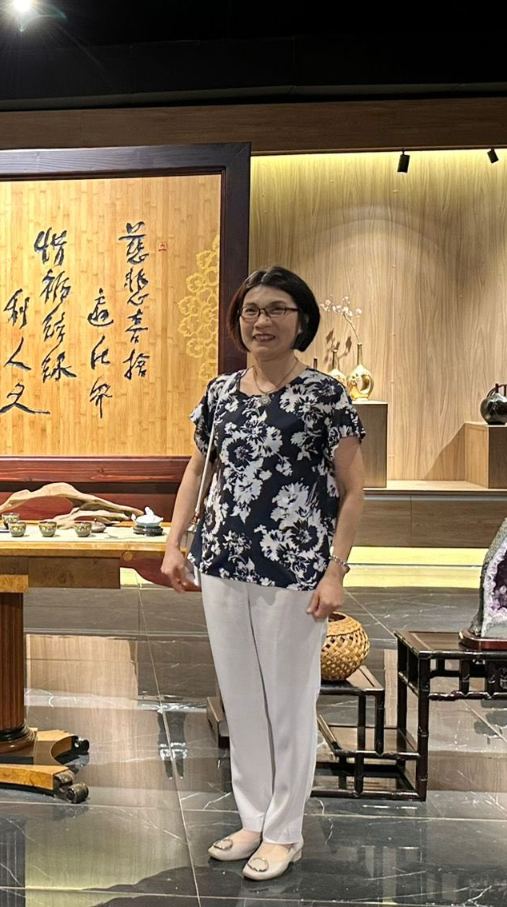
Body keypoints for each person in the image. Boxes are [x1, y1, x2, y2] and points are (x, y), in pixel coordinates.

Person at [160, 266, 366, 881]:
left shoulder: (325, 395)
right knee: (242, 697)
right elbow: (198, 471)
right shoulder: (221, 393)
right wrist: (176, 541)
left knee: (289, 700)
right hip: (223, 562)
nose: (262, 321)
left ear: (301, 320)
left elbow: (354, 490)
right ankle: (253, 818)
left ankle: (284, 831)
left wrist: (335, 570)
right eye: (251, 310)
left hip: (296, 567)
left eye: (277, 309)